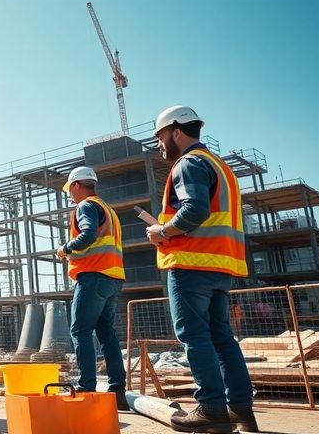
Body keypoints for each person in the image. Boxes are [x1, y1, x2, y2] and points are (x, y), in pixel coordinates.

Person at [145, 106, 257, 433]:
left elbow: (195, 209)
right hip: (221, 267)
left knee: (195, 336)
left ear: (176, 131)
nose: (160, 145)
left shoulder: (189, 163)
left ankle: (210, 408)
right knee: (222, 338)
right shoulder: (220, 167)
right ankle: (240, 410)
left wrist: (161, 231)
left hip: (192, 264)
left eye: (160, 137)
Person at [55, 166, 128, 411]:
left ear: (76, 185)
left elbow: (88, 234)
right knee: (107, 335)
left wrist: (65, 248)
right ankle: (118, 391)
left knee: (80, 331)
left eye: (70, 190)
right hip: (113, 278)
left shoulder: (86, 206)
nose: (70, 195)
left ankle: (86, 386)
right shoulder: (108, 209)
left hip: (94, 276)